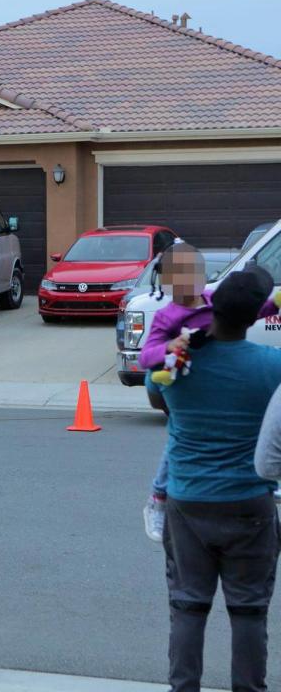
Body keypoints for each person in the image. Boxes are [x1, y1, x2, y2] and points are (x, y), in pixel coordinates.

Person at [145, 265, 281, 692]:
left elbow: (154, 388)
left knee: (187, 607)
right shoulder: (272, 366)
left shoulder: (177, 365)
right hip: (250, 502)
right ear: (256, 315)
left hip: (188, 501)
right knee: (249, 611)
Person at [139, 245, 280, 542]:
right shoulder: (167, 317)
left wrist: (275, 304)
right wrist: (169, 347)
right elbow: (146, 357)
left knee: (182, 434)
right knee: (176, 440)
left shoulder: (212, 299)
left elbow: (247, 310)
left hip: (208, 363)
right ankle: (157, 498)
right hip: (180, 366)